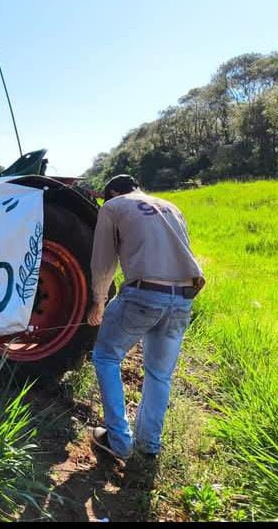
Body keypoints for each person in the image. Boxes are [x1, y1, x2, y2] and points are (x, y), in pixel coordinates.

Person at [86, 174, 205, 462]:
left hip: (144, 293)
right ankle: (149, 445)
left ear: (113, 192)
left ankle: (118, 440)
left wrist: (98, 302)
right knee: (159, 374)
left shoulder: (113, 207)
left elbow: (103, 262)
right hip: (183, 296)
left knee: (106, 356)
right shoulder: (170, 207)